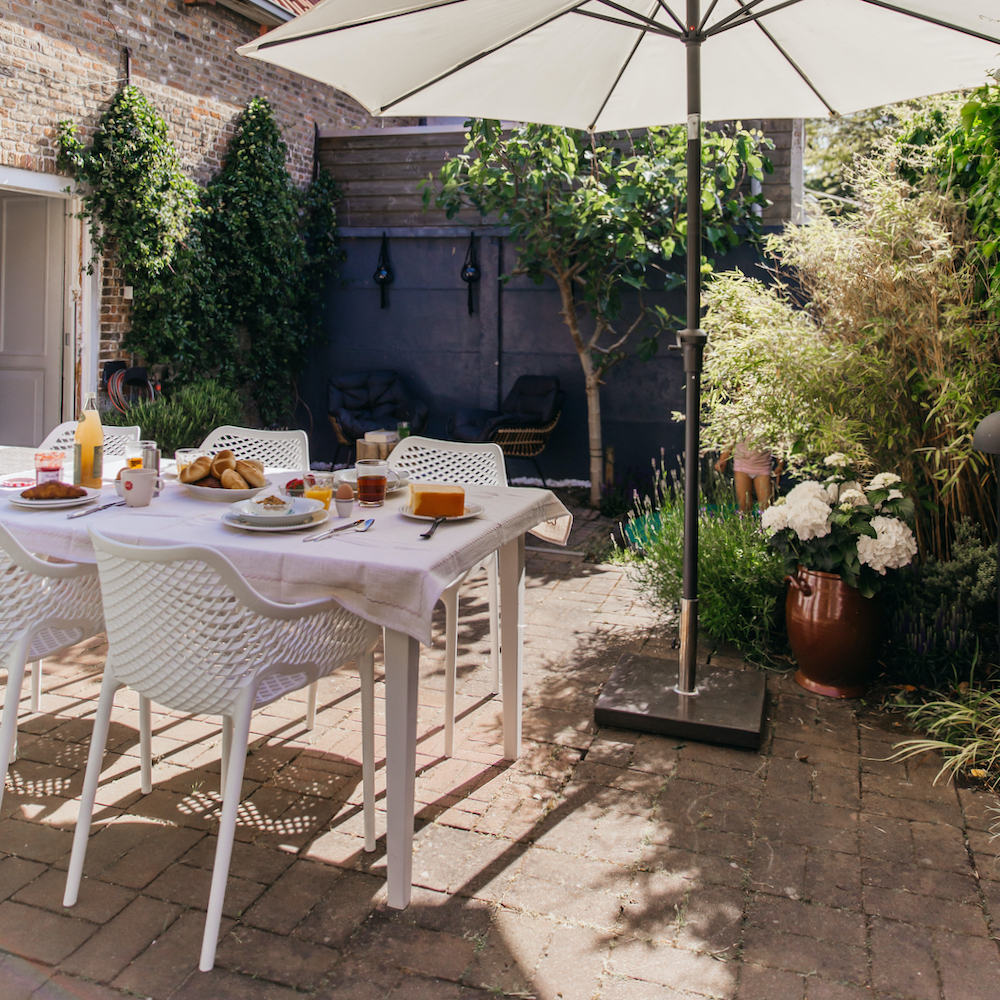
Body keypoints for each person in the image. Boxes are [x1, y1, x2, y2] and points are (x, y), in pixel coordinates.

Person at [715, 438, 782, 513]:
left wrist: (780, 466)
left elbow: (777, 441)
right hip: (741, 466)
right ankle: (744, 523)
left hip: (763, 466)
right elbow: (730, 438)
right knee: (744, 506)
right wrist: (722, 459)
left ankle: (766, 524)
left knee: (767, 507)